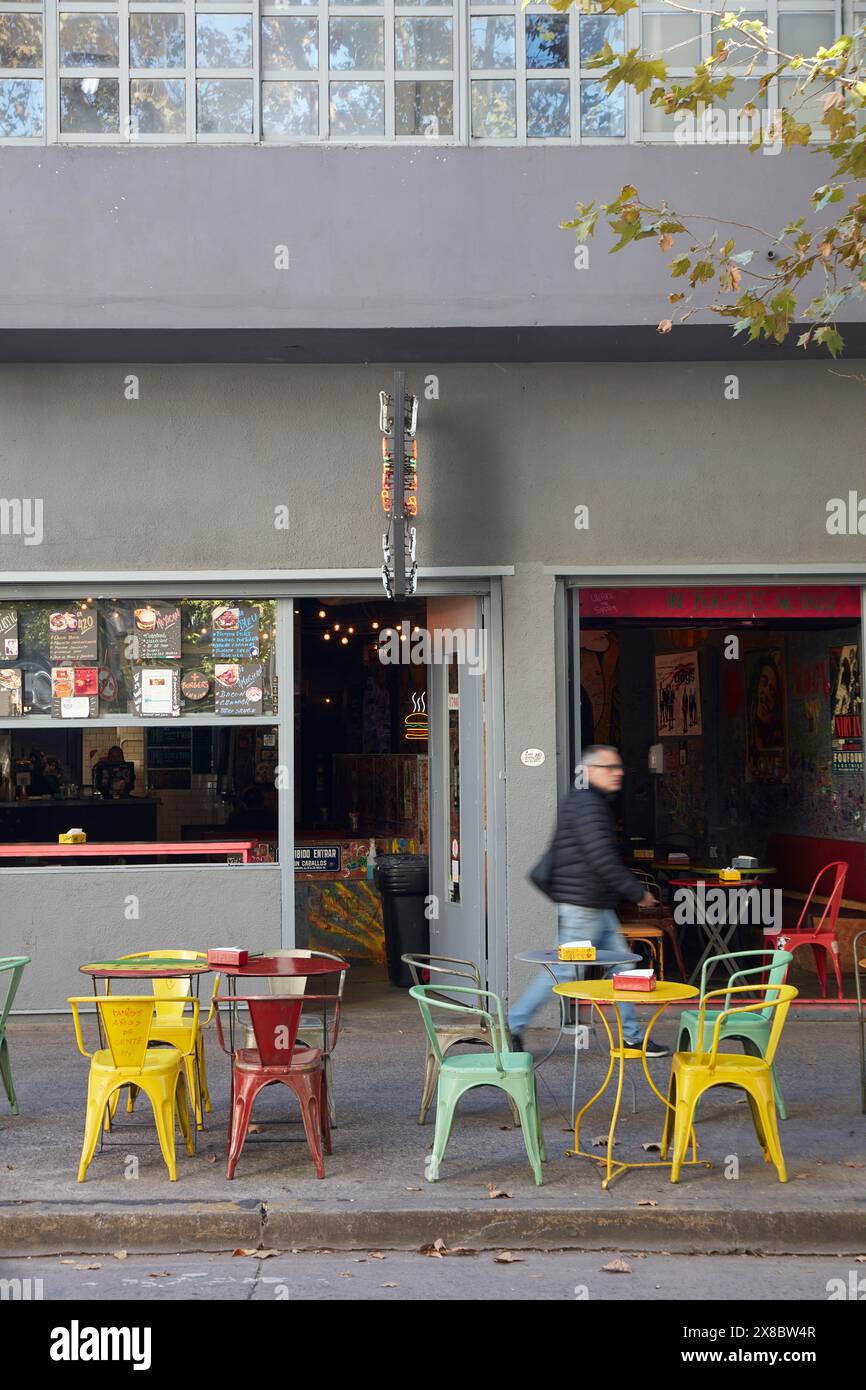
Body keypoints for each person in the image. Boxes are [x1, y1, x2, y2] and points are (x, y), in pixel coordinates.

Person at [509, 745, 669, 1057]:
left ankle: (632, 1037)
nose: (618, 772)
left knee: (621, 968)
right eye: (611, 767)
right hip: (585, 907)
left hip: (595, 906)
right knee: (564, 972)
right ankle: (513, 1023)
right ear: (591, 771)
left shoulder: (584, 802)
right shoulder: (589, 806)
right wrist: (638, 892)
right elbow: (602, 859)